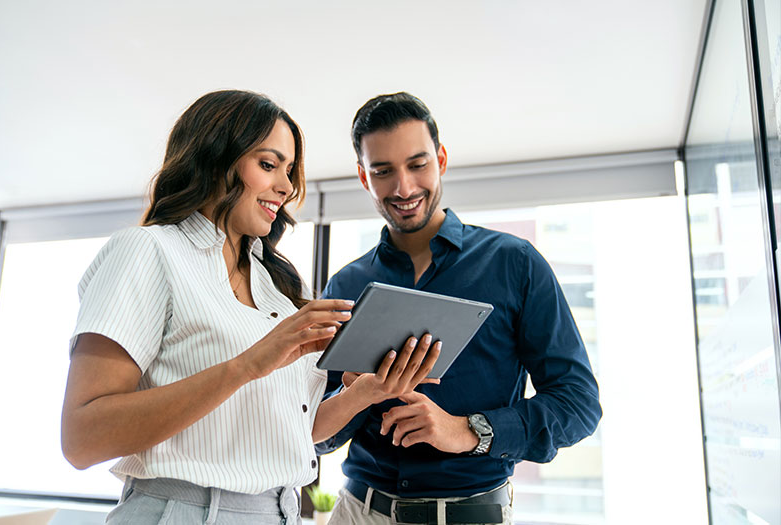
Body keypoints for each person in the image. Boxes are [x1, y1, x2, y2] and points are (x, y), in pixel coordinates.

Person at [60, 90, 439, 525]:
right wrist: (248, 365)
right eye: (268, 164)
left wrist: (368, 391)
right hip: (185, 511)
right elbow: (81, 438)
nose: (287, 186)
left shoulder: (278, 285)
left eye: (290, 170)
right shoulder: (148, 250)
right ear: (215, 158)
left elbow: (292, 432)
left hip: (279, 511)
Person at [316, 92, 603, 525]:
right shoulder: (346, 285)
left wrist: (467, 430)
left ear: (441, 159)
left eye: (417, 164)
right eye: (383, 171)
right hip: (359, 511)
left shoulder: (515, 263)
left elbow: (578, 404)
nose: (404, 188)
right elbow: (314, 435)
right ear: (363, 177)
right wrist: (355, 396)